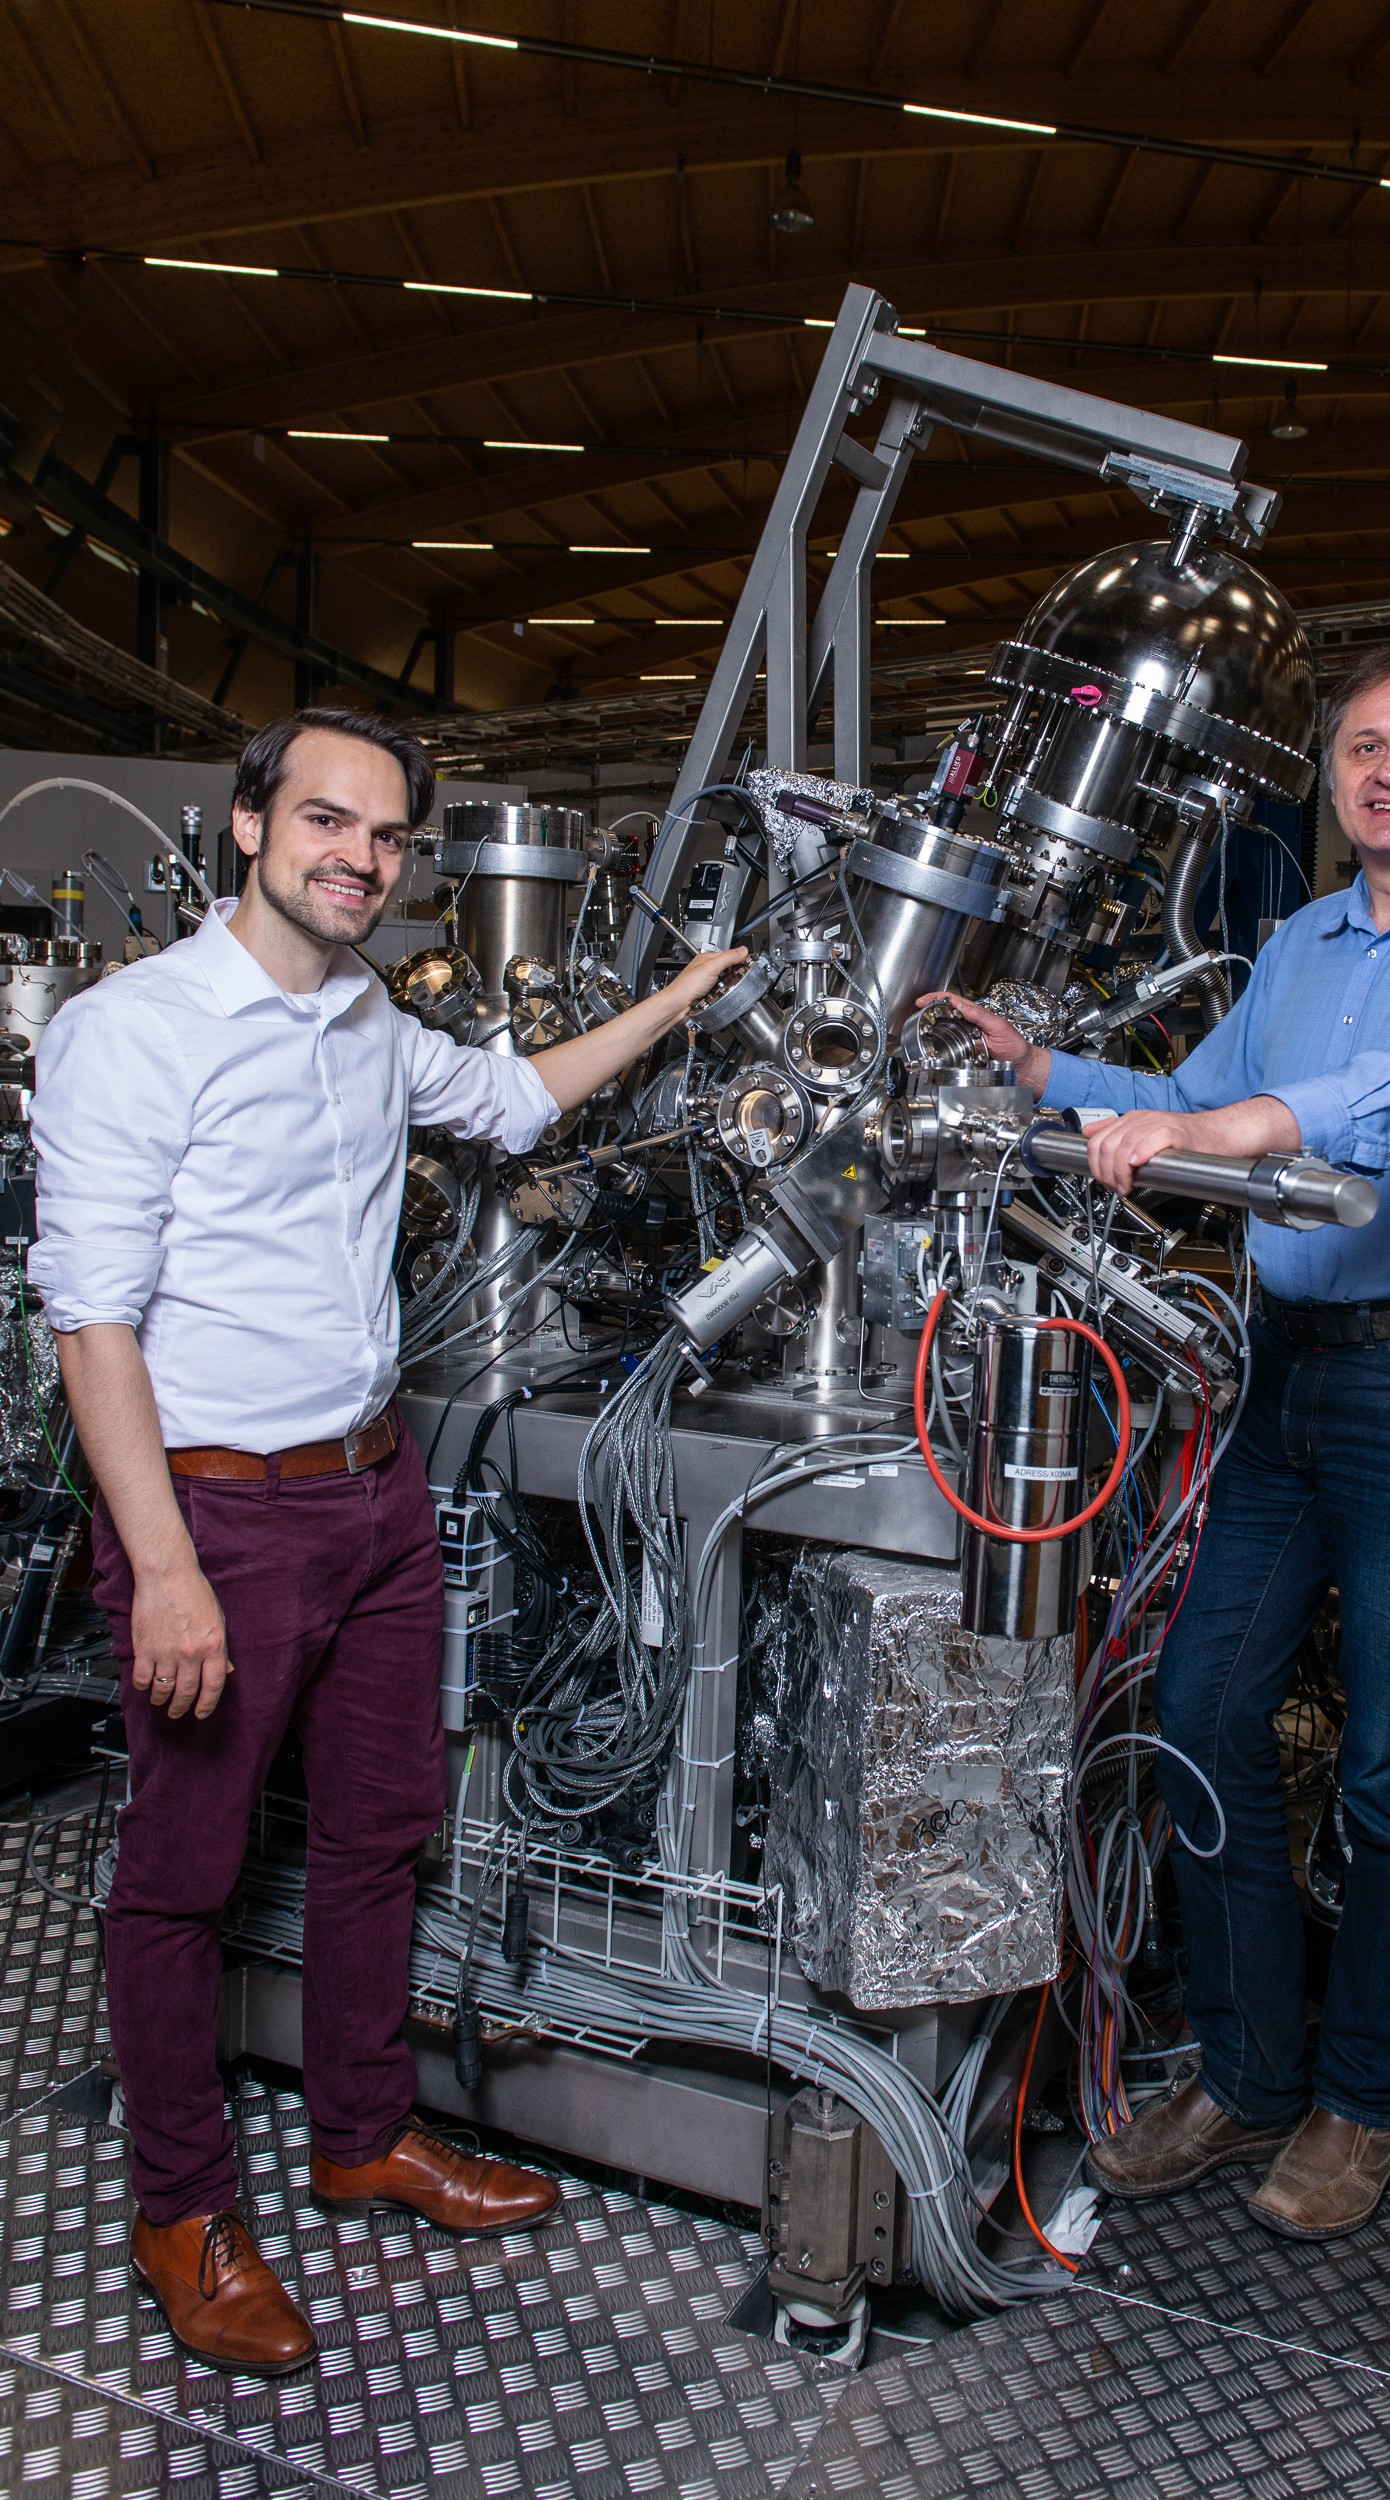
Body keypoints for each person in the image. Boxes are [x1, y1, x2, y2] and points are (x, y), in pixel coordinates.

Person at [29, 709, 745, 2375]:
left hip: (373, 1495)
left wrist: (688, 996)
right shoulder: (134, 1031)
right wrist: (171, 1568)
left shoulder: (361, 1018)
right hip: (213, 1508)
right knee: (183, 1876)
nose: (356, 855)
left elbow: (511, 1100)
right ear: (247, 826)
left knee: (379, 1831)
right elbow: (91, 1323)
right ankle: (183, 2211)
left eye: (386, 836)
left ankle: (359, 2133)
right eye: (326, 821)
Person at [933, 642, 1390, 2239]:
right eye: (1363, 745)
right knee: (1206, 1706)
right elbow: (1183, 1091)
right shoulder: (1297, 942)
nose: (1388, 770)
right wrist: (1042, 1074)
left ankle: (1365, 2101)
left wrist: (1234, 1130)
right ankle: (1247, 2068)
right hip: (1288, 1369)